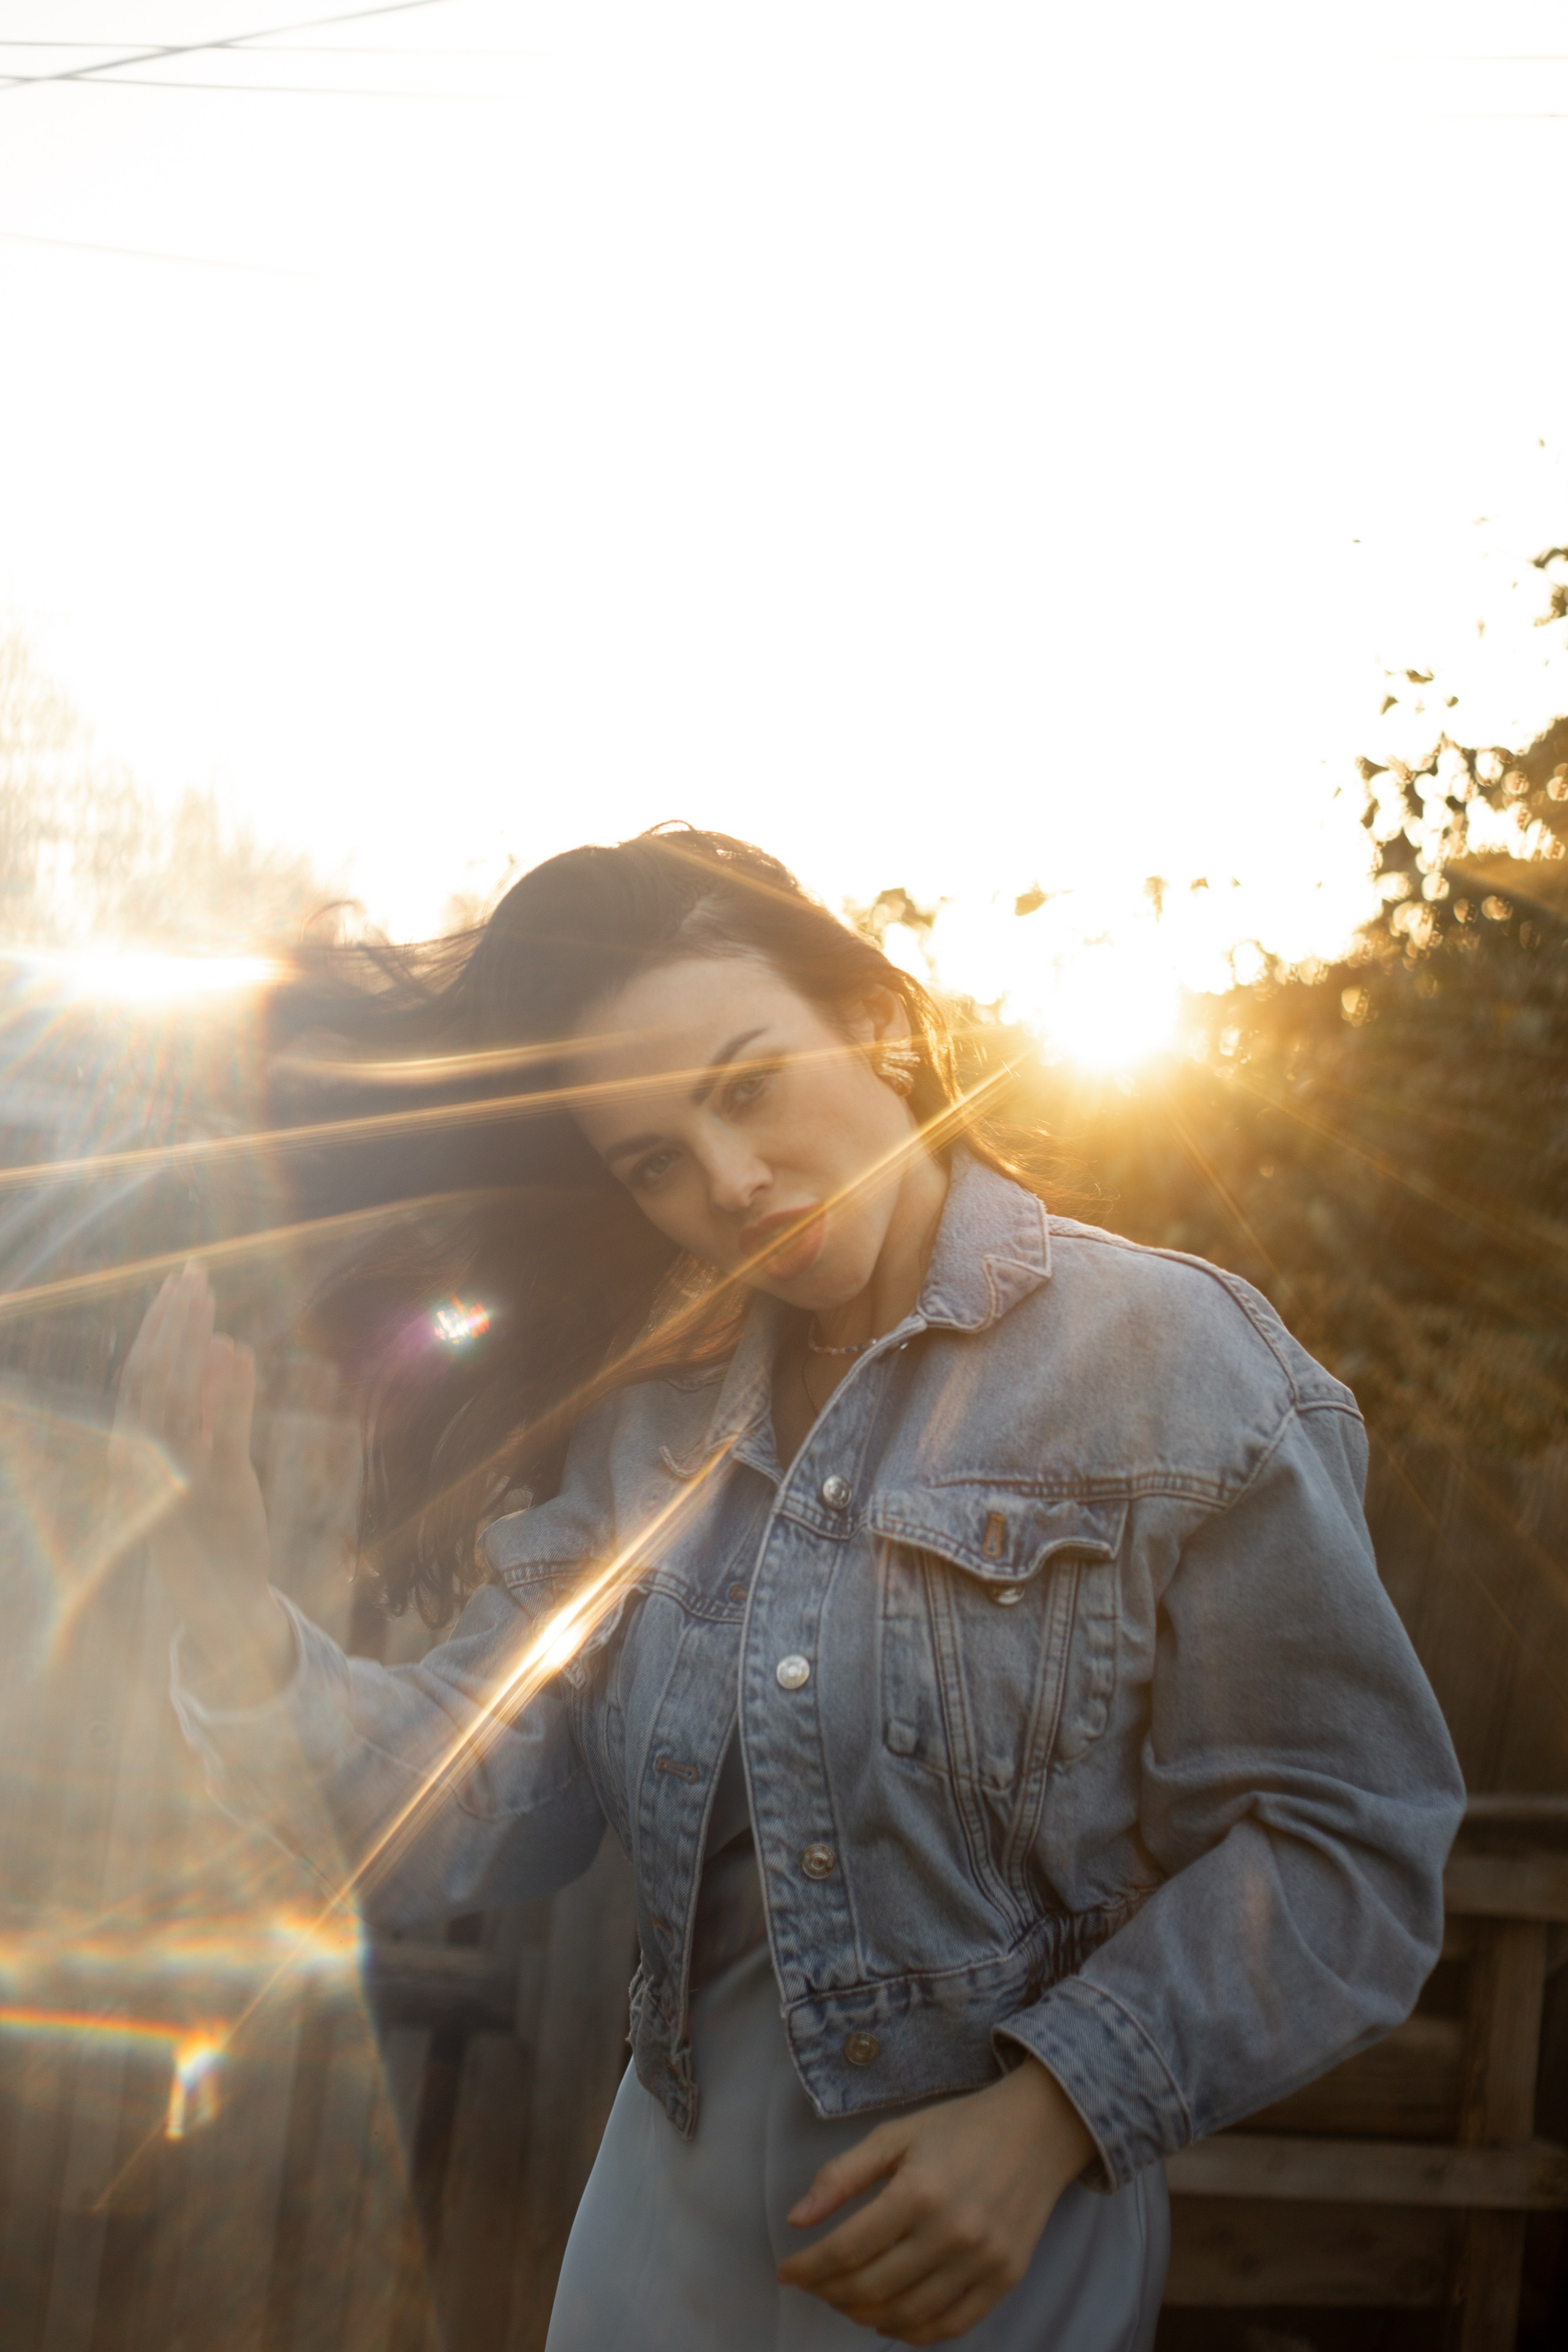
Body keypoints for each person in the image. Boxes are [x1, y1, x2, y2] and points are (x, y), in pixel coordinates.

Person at [118, 828, 1465, 2350]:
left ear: (874, 1026)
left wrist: (1057, 2115)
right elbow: (465, 1808)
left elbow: (1343, 1842)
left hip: (978, 2239)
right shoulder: (646, 1429)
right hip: (659, 2225)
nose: (730, 1184)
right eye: (655, 1165)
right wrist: (222, 1594)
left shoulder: (1171, 1365)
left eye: (746, 1087)